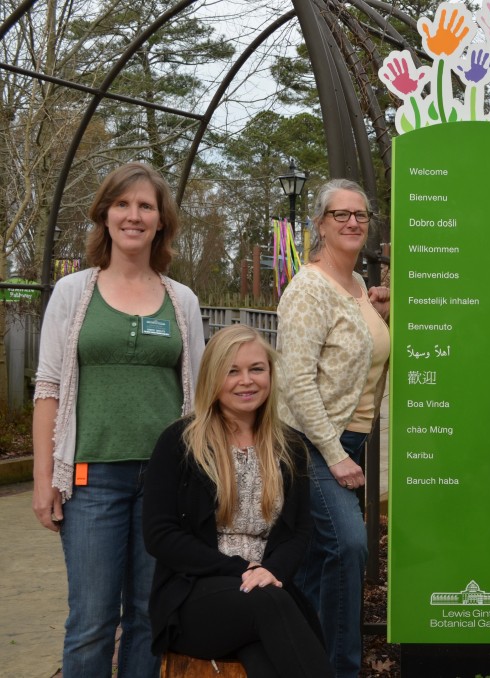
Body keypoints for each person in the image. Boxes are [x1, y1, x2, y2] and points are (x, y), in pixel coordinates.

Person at [31, 161, 204, 677]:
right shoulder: (73, 292)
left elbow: (198, 397)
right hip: (91, 481)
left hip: (165, 485)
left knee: (151, 617)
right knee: (91, 622)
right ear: (104, 215)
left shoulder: (183, 300)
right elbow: (48, 389)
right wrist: (44, 480)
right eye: (123, 204)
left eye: (145, 206)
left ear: (161, 221)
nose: (134, 215)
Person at [143, 325, 331, 676]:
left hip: (266, 591)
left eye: (256, 369)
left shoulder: (289, 447)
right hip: (195, 596)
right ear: (214, 378)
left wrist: (271, 571)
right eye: (232, 371)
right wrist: (242, 570)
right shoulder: (180, 442)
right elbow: (159, 535)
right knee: (269, 605)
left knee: (267, 655)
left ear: (271, 375)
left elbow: (300, 531)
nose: (246, 380)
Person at [276, 178, 390, 677]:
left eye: (359, 215)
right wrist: (334, 452)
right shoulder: (309, 288)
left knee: (312, 561)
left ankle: (298, 660)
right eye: (340, 215)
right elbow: (296, 381)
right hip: (309, 442)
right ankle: (340, 670)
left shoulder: (358, 286)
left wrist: (380, 311)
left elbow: (361, 348)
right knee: (348, 545)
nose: (351, 223)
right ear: (320, 224)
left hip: (348, 438)